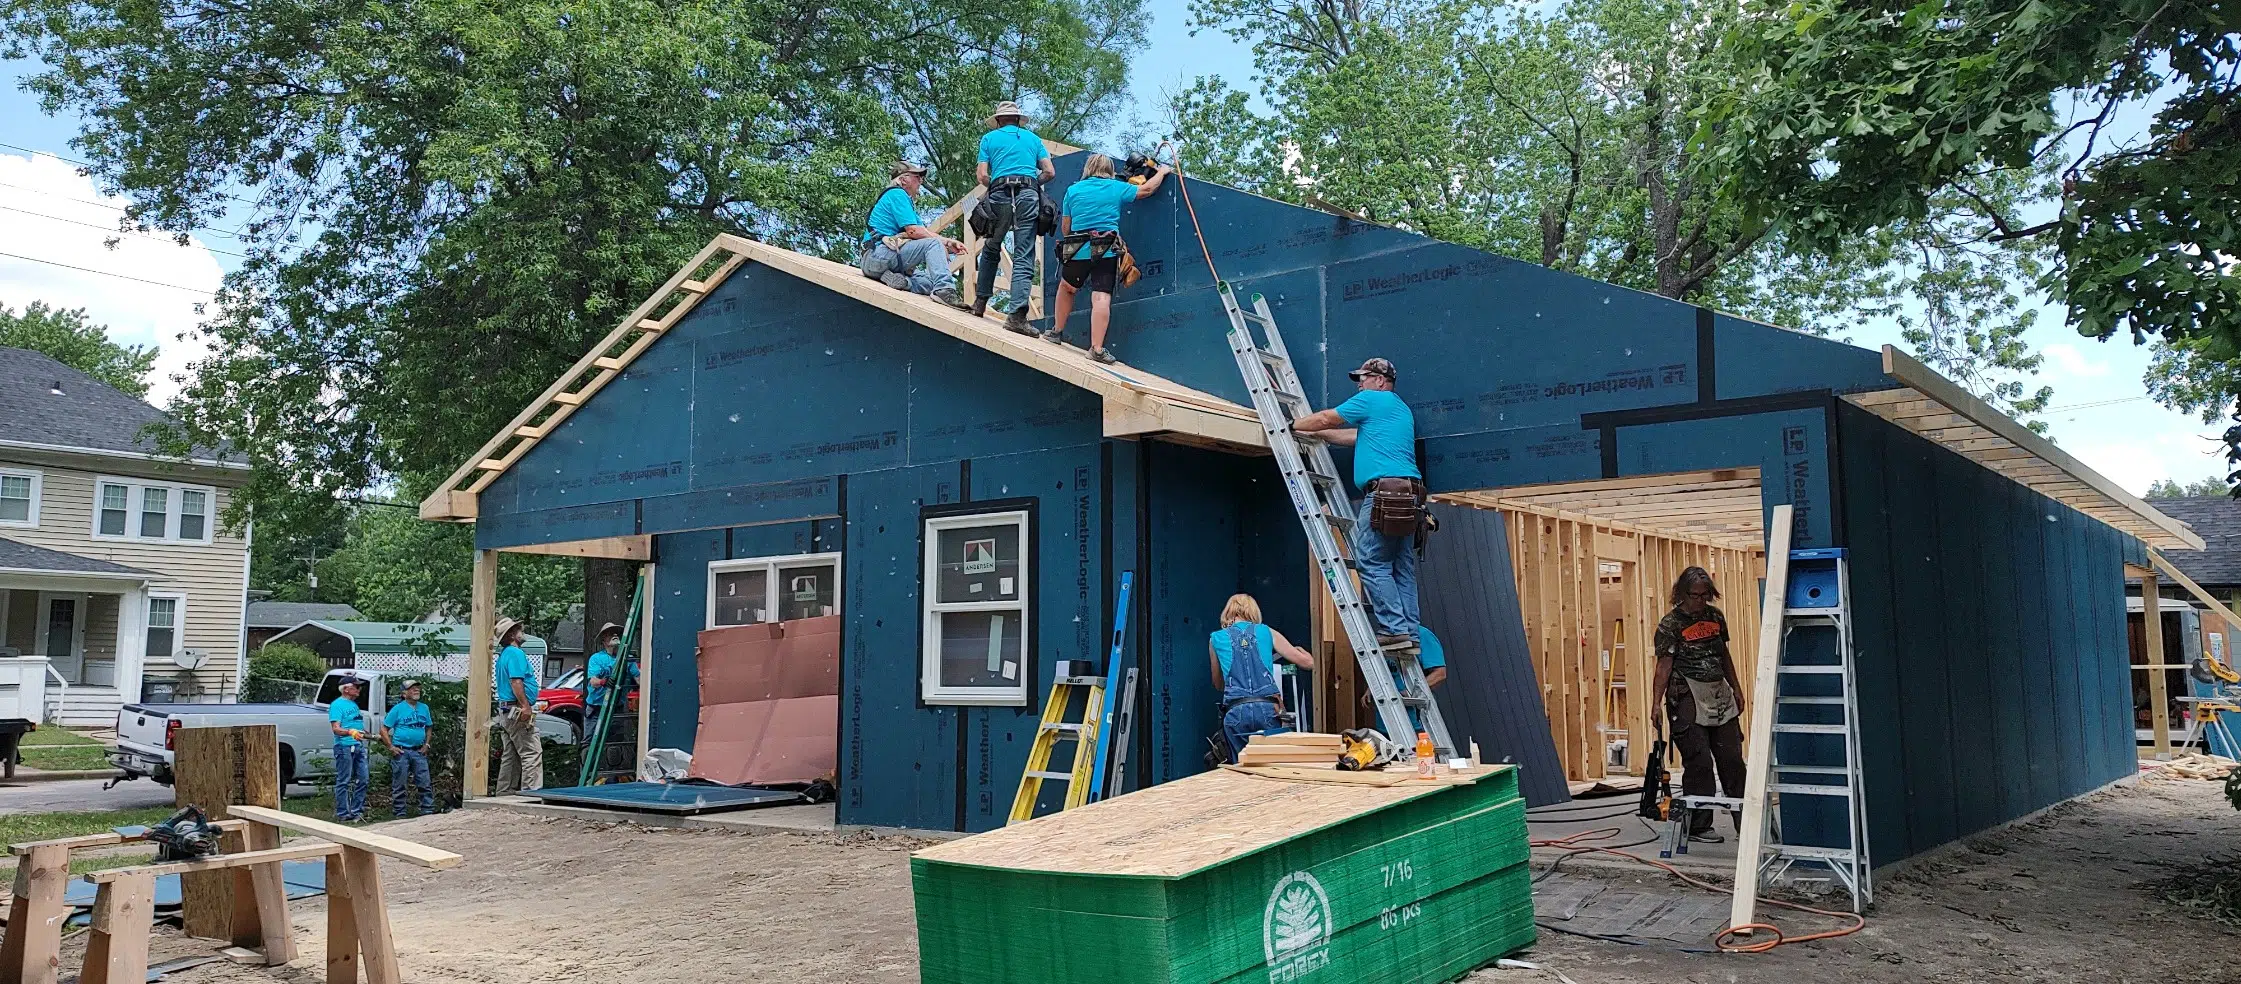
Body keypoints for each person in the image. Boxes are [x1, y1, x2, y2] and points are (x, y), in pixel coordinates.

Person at [1291, 357, 1424, 650]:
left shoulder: (1371, 401)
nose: (1359, 384)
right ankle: (1409, 633)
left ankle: (1393, 628)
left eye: (1363, 378)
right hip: (1408, 495)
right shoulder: (1398, 409)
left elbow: (1327, 417)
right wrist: (1316, 433)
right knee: (1400, 567)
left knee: (1371, 560)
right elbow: (1354, 436)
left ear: (1379, 380)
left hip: (1384, 495)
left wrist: (1292, 424)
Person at [1043, 153, 1170, 364]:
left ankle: (1056, 332)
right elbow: (1147, 189)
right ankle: (1097, 349)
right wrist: (1163, 172)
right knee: (1101, 297)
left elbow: (1066, 229)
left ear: (1088, 169)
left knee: (1067, 287)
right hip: (1107, 248)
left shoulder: (1073, 191)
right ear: (1109, 170)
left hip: (1078, 247)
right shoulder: (1116, 188)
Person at [1652, 566, 1747, 843]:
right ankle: (1699, 826)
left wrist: (1736, 688)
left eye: (1705, 596)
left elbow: (1724, 655)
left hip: (1718, 693)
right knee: (1699, 762)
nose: (1699, 602)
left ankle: (1745, 821)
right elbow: (1663, 667)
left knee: (1732, 759)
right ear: (1682, 594)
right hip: (1686, 696)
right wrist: (1656, 704)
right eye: (1694, 596)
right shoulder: (1671, 625)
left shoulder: (1715, 617)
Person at [972, 100, 1056, 329]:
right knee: (1023, 253)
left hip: (999, 194)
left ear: (999, 121)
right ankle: (1016, 317)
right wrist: (1031, 184)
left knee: (991, 246)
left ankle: (980, 302)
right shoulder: (1032, 139)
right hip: (1027, 196)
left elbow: (982, 175)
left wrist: (997, 184)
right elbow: (1049, 172)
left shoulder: (989, 139)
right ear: (1018, 120)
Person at [1207, 593, 1315, 763]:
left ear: (1229, 611)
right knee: (1271, 767)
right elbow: (1308, 663)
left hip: (1236, 711)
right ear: (1253, 612)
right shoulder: (1266, 631)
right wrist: (1301, 651)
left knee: (1241, 770)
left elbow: (1218, 684)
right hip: (1268, 709)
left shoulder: (1216, 638)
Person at [860, 161, 969, 309]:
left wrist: (948, 243)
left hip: (884, 262)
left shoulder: (906, 202)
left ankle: (902, 282)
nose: (921, 181)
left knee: (931, 282)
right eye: (917, 176)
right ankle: (945, 290)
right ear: (903, 179)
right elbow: (914, 232)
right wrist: (940, 243)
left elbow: (923, 232)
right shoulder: (896, 194)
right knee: (935, 256)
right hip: (877, 255)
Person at [493, 617, 546, 795]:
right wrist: (525, 706)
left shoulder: (504, 655)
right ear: (511, 635)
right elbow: (516, 681)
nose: (521, 630)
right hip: (516, 709)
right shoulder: (515, 654)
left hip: (506, 710)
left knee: (511, 754)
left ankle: (504, 791)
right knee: (532, 752)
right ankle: (532, 793)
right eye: (517, 629)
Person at [382, 679, 435, 817]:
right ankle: (400, 814)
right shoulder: (398, 709)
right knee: (400, 784)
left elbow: (429, 727)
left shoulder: (424, 708)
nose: (416, 690)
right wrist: (391, 747)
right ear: (404, 693)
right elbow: (383, 729)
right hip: (402, 751)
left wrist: (427, 744)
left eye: (417, 687)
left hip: (419, 751)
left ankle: (427, 811)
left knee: (424, 782)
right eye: (412, 688)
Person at [328, 676, 370, 822]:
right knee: (344, 780)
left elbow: (357, 724)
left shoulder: (354, 705)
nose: (359, 689)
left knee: (363, 779)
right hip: (344, 746)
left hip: (358, 746)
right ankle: (343, 813)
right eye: (356, 687)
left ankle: (356, 811)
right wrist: (350, 732)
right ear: (346, 689)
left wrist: (367, 734)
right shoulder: (337, 705)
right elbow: (336, 728)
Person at [583, 622, 638, 729]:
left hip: (616, 708)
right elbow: (593, 681)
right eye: (610, 633)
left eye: (616, 633)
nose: (615, 635)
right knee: (589, 742)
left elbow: (639, 679)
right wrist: (603, 682)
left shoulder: (628, 659)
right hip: (596, 708)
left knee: (614, 740)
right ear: (604, 640)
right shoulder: (596, 658)